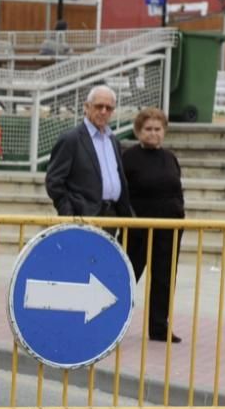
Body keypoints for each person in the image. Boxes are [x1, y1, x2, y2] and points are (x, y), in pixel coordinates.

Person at [122, 107, 184, 344]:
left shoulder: (170, 158)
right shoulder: (129, 158)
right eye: (148, 129)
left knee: (164, 278)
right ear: (138, 132)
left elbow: (177, 190)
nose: (153, 134)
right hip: (138, 228)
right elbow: (123, 193)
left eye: (158, 129)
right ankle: (110, 321)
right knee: (127, 275)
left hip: (169, 228)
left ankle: (159, 327)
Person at [45, 85, 134, 222]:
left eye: (109, 108)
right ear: (86, 107)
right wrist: (69, 214)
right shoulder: (71, 139)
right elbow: (54, 181)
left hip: (112, 215)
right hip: (82, 217)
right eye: (99, 106)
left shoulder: (113, 141)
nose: (104, 111)